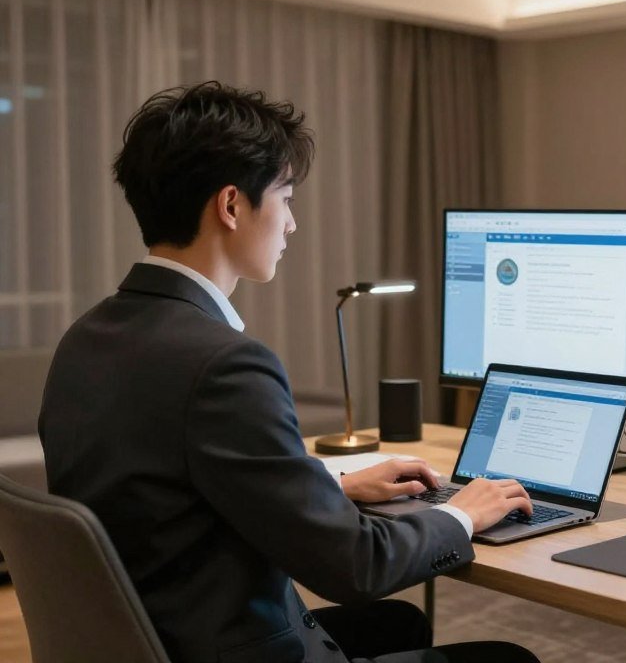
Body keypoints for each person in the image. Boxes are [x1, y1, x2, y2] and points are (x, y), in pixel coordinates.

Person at [39, 82, 538, 663]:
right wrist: (463, 514)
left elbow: (168, 491)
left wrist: (332, 486)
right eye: (286, 198)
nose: (291, 226)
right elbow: (356, 567)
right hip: (227, 647)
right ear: (231, 206)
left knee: (397, 624)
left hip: (156, 636)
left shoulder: (85, 339)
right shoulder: (224, 364)